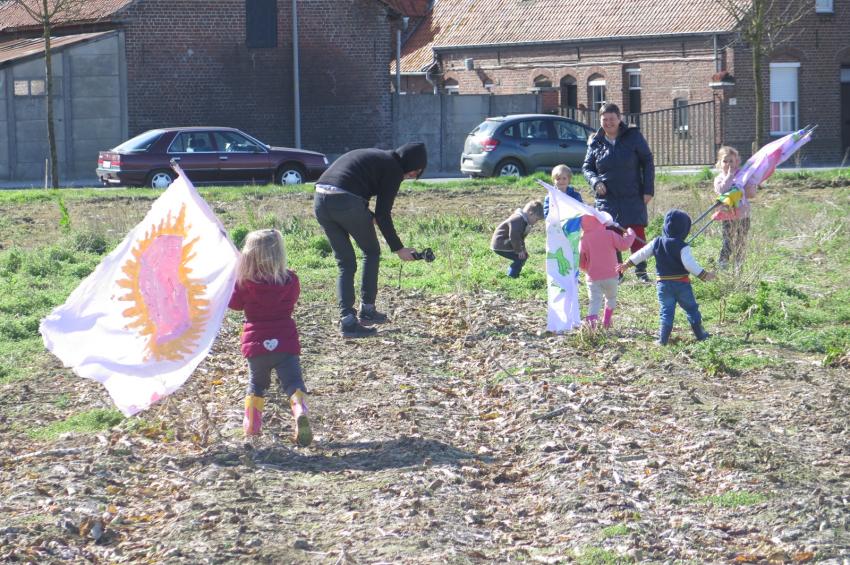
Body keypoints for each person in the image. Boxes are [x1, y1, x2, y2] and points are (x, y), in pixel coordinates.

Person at [313, 142, 427, 338]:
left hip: (320, 200)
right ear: (411, 166)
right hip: (346, 201)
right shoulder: (393, 169)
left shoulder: (378, 157)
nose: (412, 177)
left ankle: (348, 321)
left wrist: (366, 213)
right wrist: (399, 248)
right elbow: (383, 214)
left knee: (345, 263)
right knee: (371, 252)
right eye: (415, 172)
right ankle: (367, 310)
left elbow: (355, 184)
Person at [229, 229, 312, 446]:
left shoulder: (244, 283)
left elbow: (235, 305)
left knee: (256, 385)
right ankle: (300, 412)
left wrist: (233, 278)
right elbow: (293, 299)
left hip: (256, 345)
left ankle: (252, 427)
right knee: (293, 383)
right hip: (285, 340)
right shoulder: (290, 280)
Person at [617, 209, 715, 345]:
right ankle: (700, 334)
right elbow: (689, 265)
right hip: (682, 285)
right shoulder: (683, 246)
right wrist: (704, 275)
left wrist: (627, 264)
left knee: (666, 311)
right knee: (691, 308)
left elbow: (641, 253)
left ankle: (663, 340)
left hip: (663, 285)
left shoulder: (657, 242)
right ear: (684, 229)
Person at [583, 102, 655, 282]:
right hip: (607, 198)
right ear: (600, 120)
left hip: (633, 193)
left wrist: (648, 189)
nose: (608, 123)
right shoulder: (595, 142)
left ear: (619, 118)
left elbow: (647, 161)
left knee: (636, 233)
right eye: (604, 119)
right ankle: (617, 273)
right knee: (611, 235)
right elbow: (587, 167)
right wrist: (595, 181)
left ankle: (641, 272)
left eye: (612, 119)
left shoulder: (633, 136)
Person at [579, 216, 635, 329]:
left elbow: (580, 261)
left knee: (594, 301)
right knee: (611, 298)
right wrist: (630, 235)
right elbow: (624, 245)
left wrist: (586, 269)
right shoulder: (610, 234)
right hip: (611, 275)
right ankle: (606, 321)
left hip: (593, 278)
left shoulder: (584, 239)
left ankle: (592, 327)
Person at [713, 146, 757, 270]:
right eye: (725, 161)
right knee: (728, 241)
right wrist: (730, 176)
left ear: (737, 162)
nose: (728, 164)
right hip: (727, 216)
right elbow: (722, 190)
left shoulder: (743, 176)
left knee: (741, 241)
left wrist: (750, 186)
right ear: (720, 163)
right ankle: (723, 264)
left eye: (731, 161)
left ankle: (739, 265)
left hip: (743, 215)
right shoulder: (719, 179)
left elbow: (751, 193)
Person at [491, 200, 544, 278]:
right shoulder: (517, 219)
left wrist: (523, 249)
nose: (536, 222)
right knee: (520, 258)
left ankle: (512, 274)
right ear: (530, 213)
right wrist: (519, 250)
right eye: (536, 219)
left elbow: (520, 238)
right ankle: (512, 276)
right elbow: (514, 236)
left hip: (505, 242)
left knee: (523, 257)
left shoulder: (523, 220)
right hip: (501, 243)